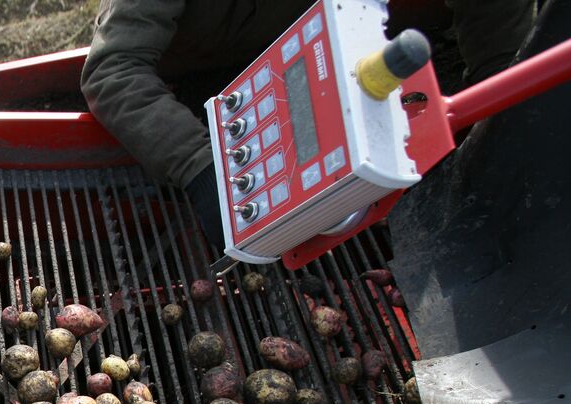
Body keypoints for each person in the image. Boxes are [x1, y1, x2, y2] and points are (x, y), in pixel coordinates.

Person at [80, 0, 537, 250]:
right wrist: (202, 169)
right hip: (209, 91)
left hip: (338, 58)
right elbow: (113, 70)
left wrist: (499, 112)